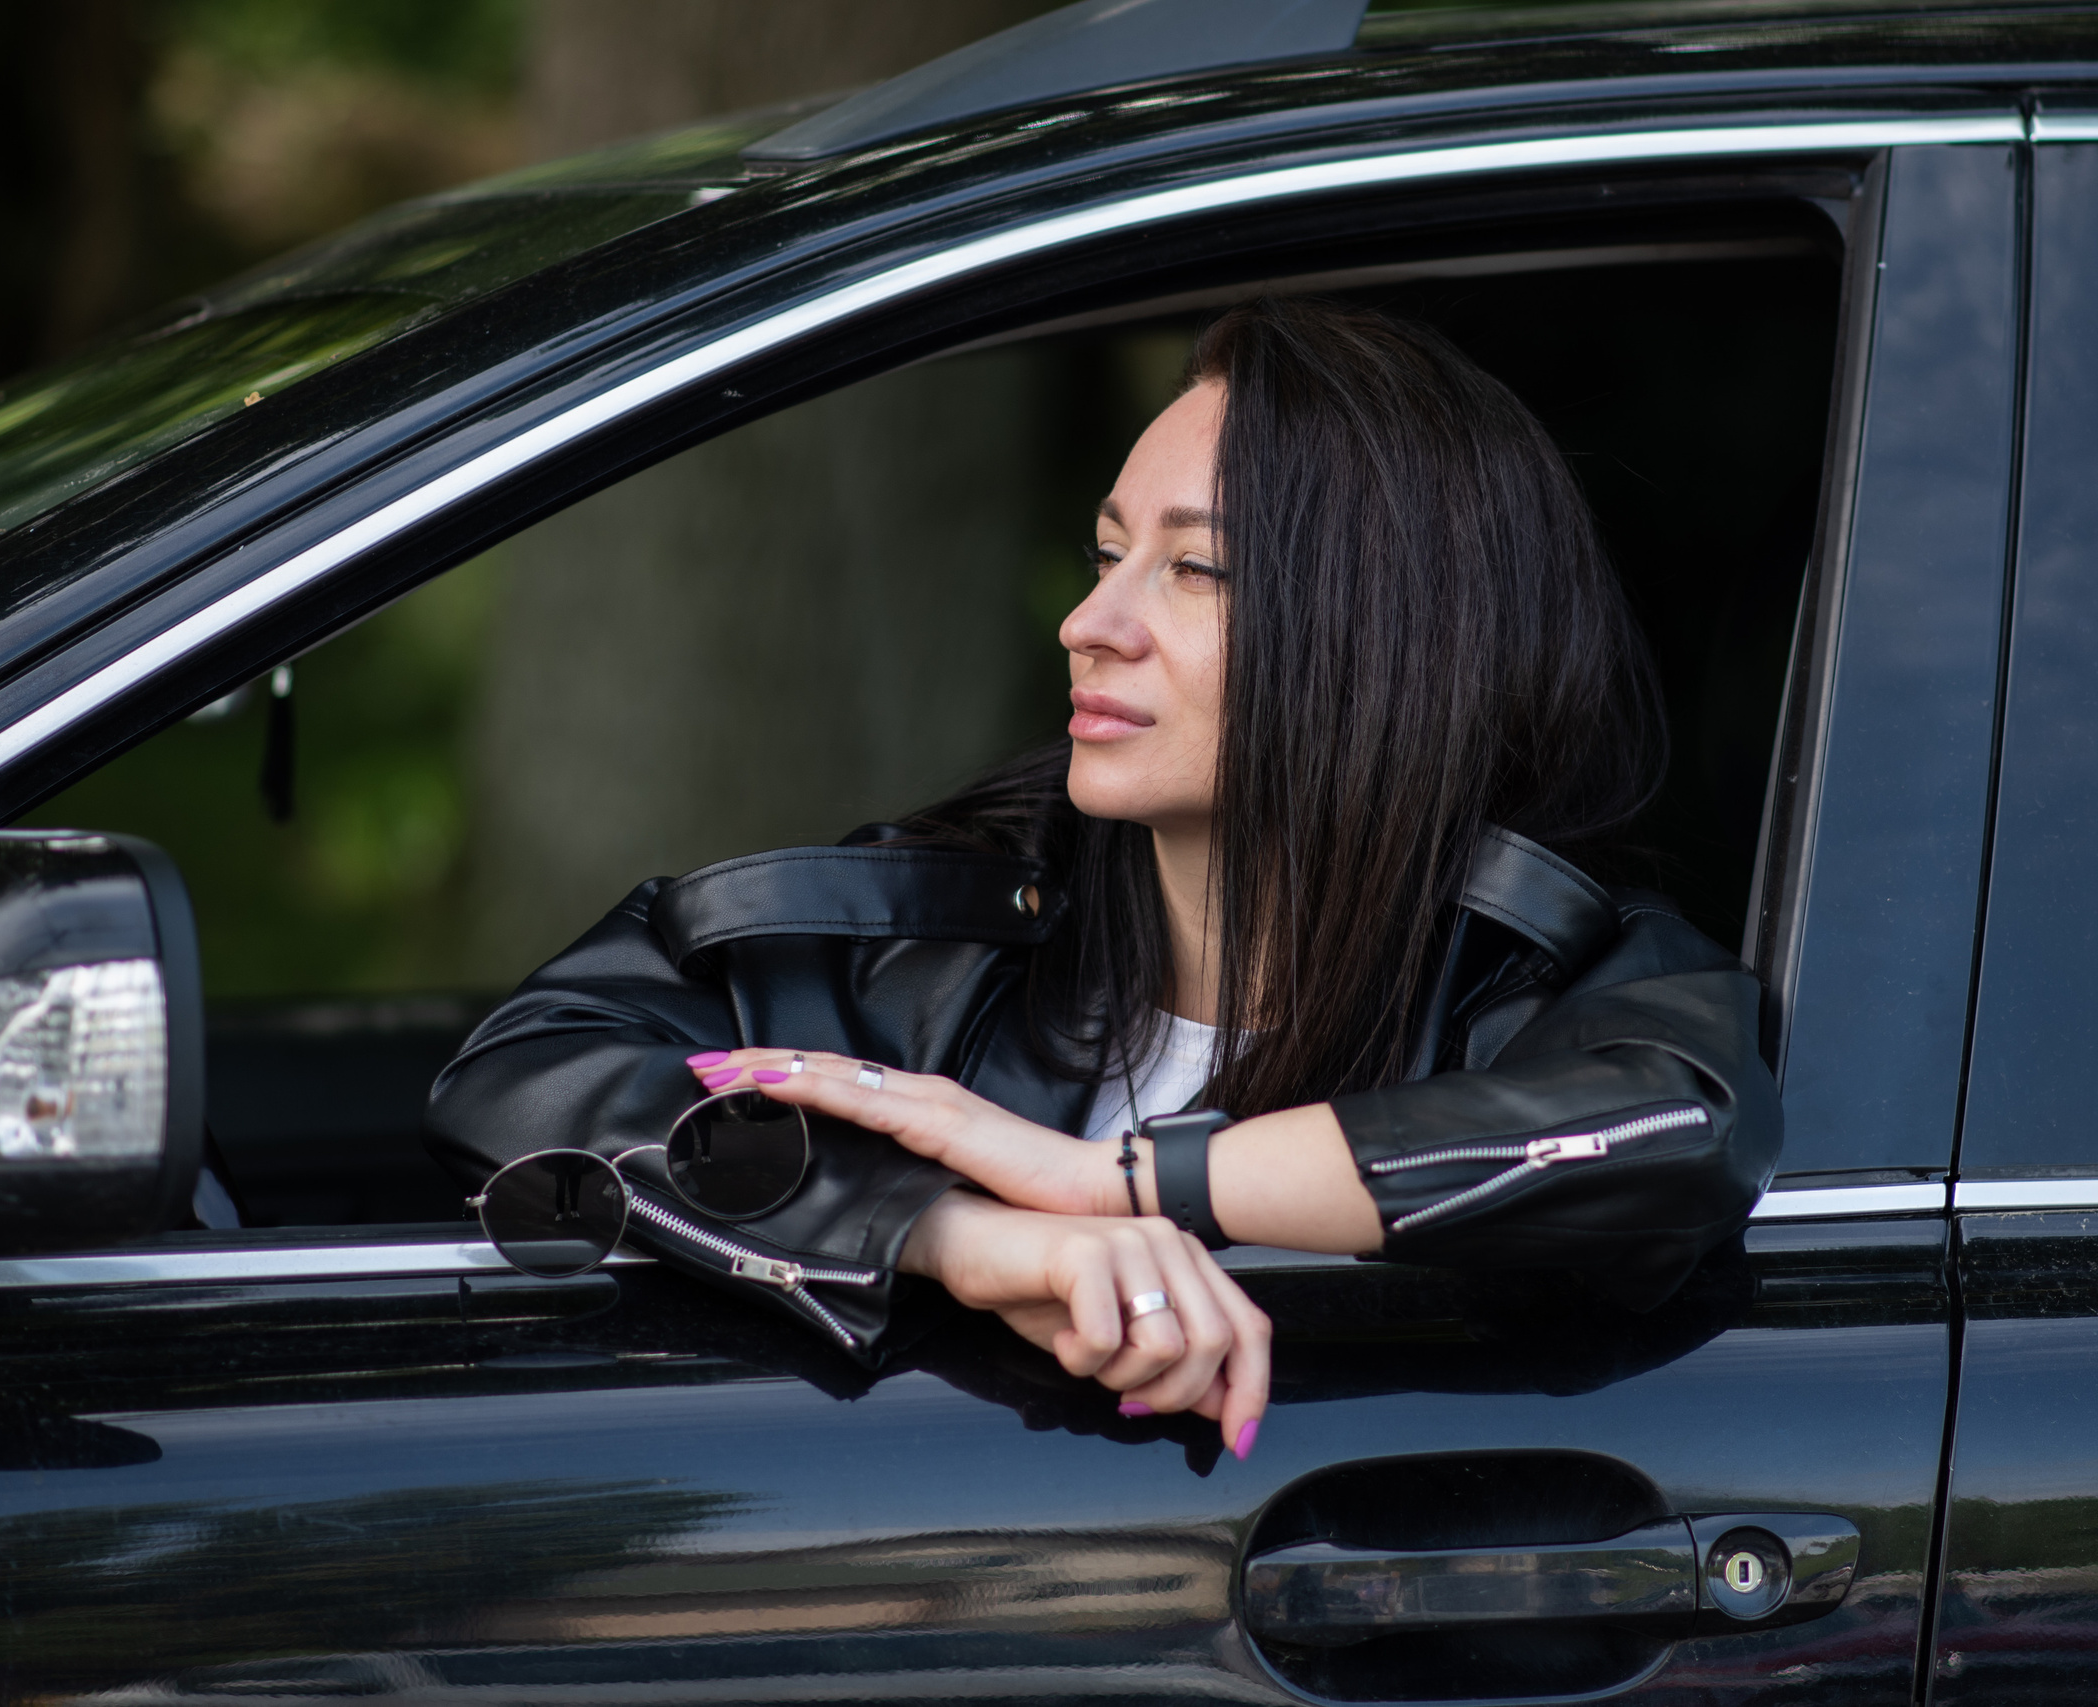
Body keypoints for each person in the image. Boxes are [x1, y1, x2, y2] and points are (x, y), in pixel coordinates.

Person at [426, 296, 1780, 1465]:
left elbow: (1676, 1131)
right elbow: (524, 1072)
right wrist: (947, 1231)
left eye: (1194, 569)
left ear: (1389, 643)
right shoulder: (920, 938)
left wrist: (1106, 1183)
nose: (1089, 623)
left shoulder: (1547, 976)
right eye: (1106, 550)